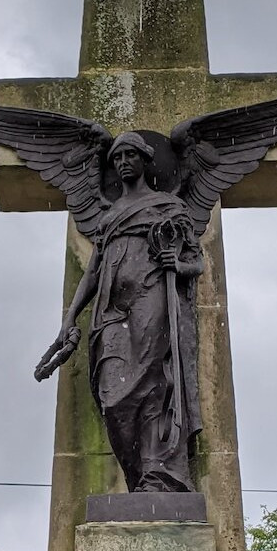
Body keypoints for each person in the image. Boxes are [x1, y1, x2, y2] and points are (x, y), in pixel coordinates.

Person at [48, 132, 203, 492]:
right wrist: (71, 316)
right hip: (111, 312)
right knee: (111, 395)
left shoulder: (168, 206)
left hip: (153, 302)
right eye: (117, 159)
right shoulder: (110, 214)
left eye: (130, 156)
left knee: (153, 388)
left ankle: (156, 477)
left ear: (146, 160)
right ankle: (139, 478)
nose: (123, 163)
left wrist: (176, 265)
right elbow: (94, 269)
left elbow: (196, 260)